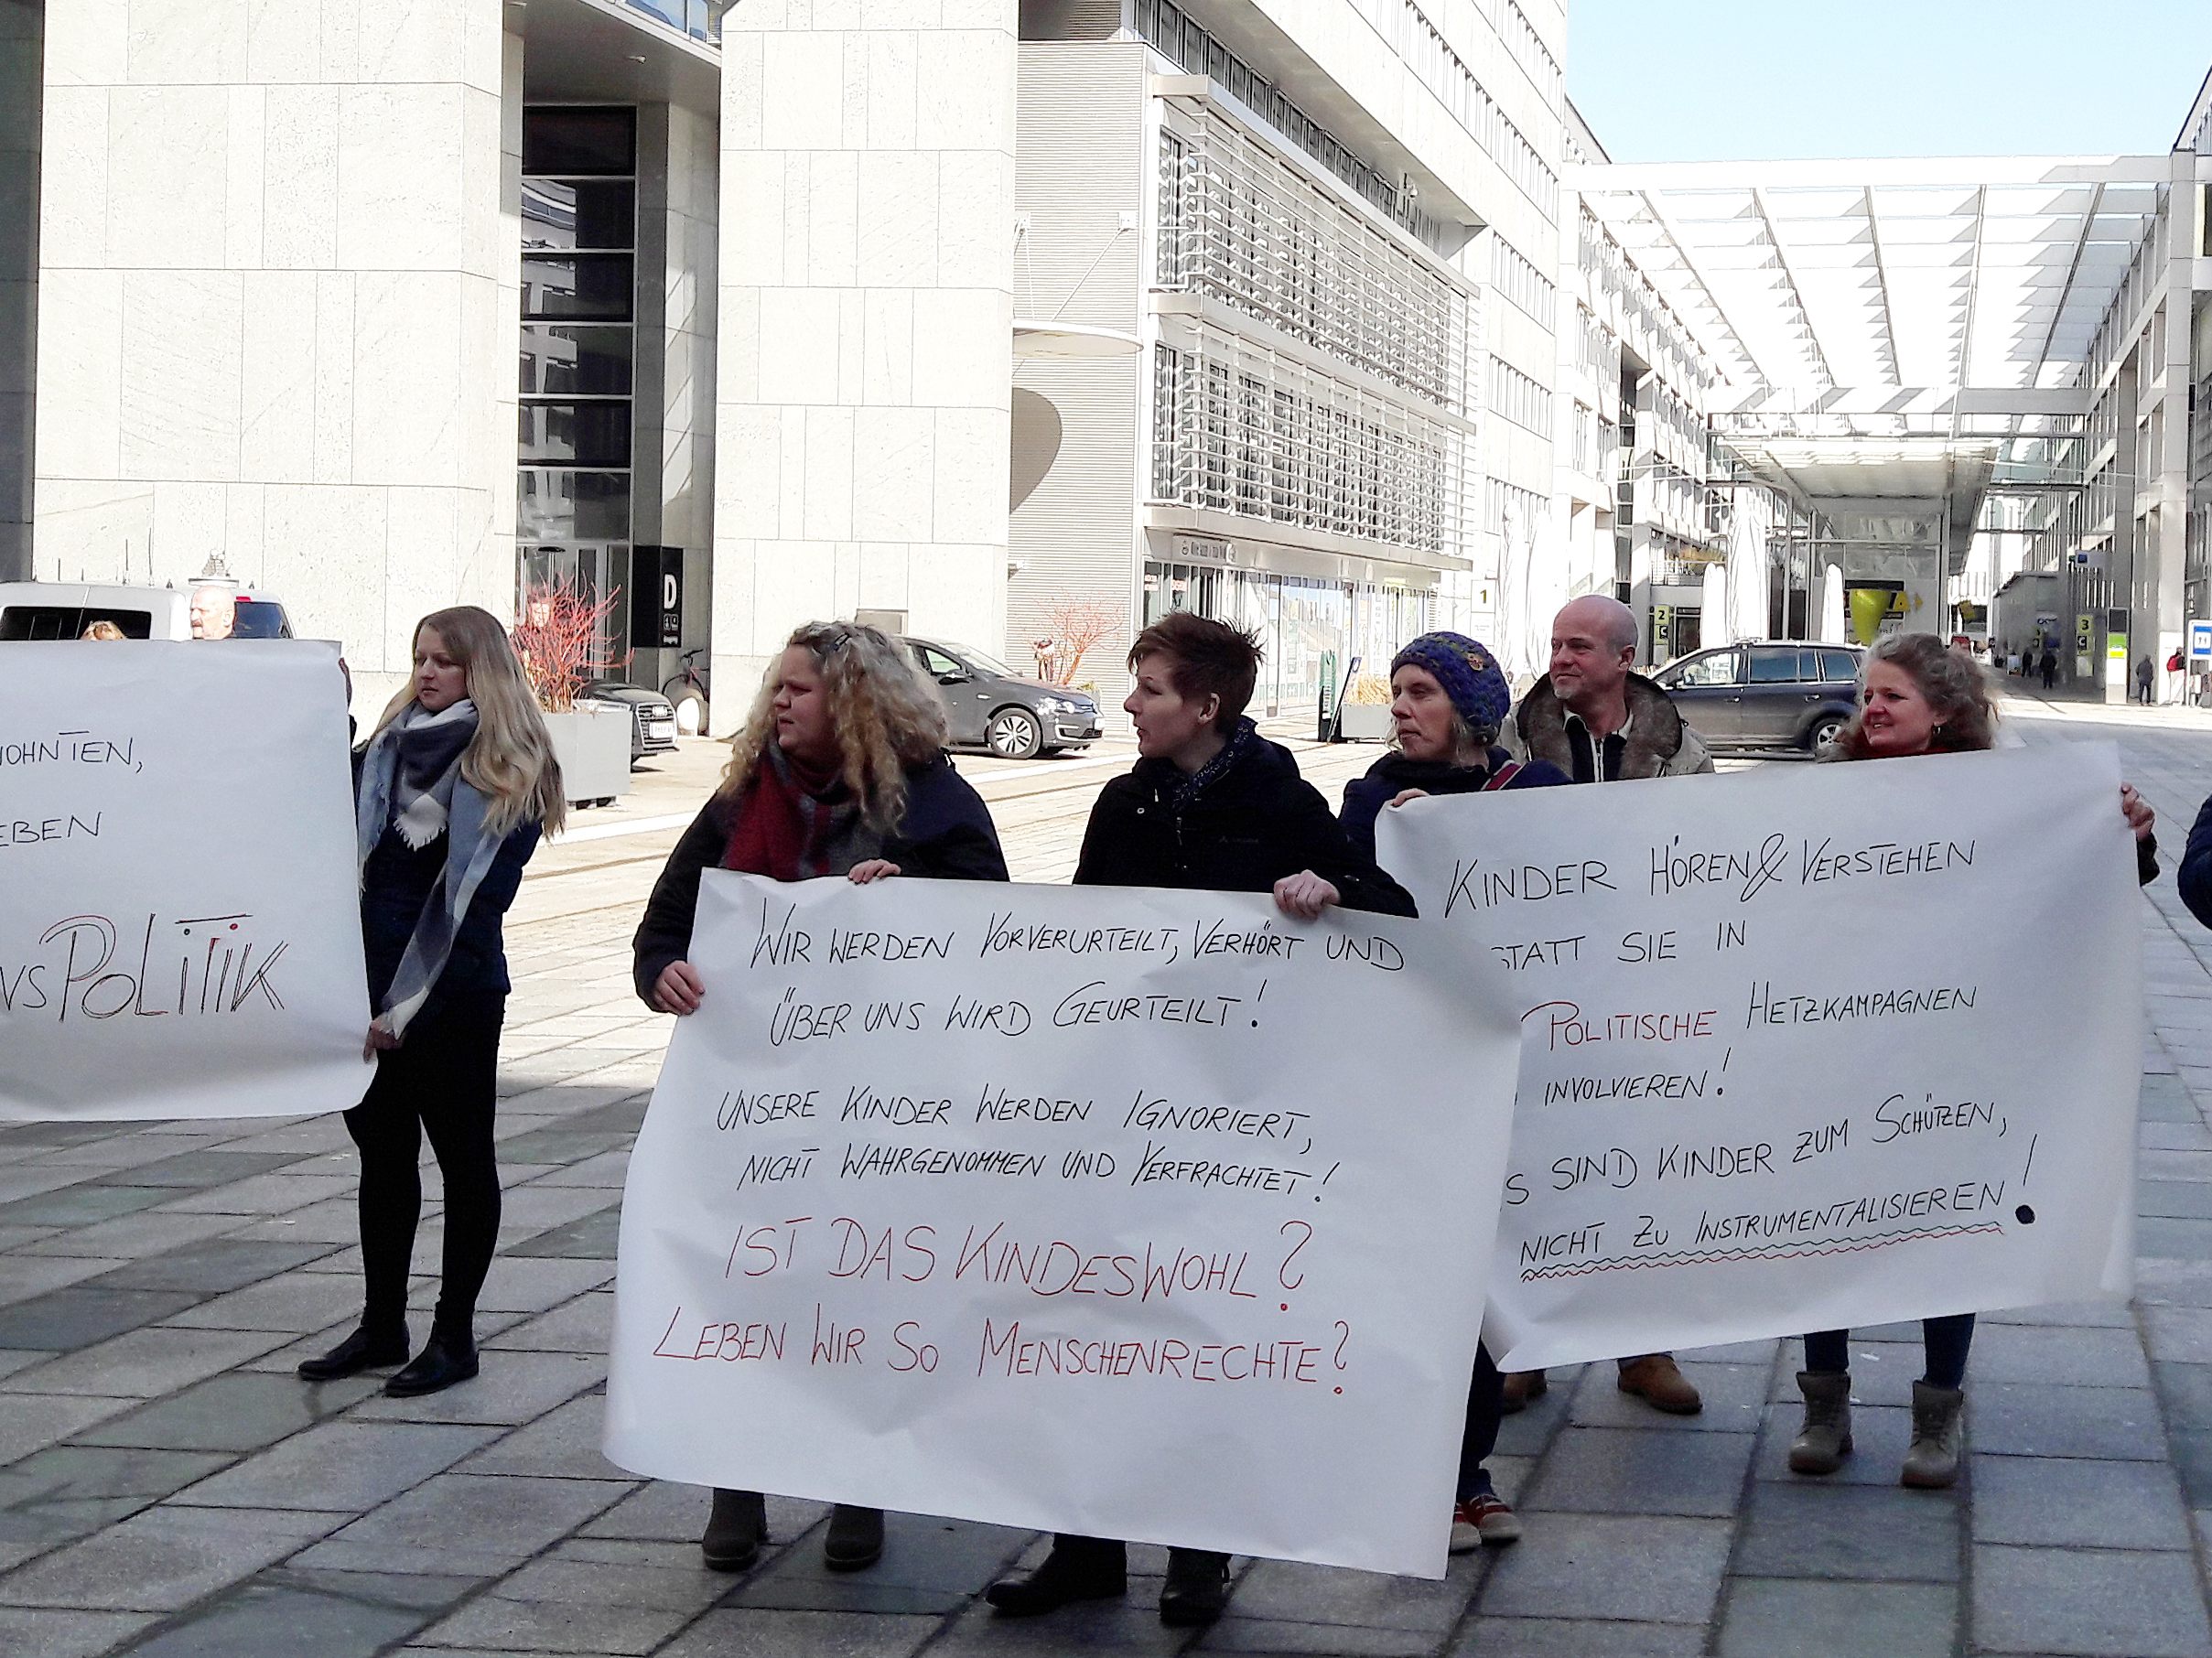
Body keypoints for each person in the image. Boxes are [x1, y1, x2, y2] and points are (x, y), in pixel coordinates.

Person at [984, 612, 1414, 1630]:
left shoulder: (1277, 797)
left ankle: (1197, 1552)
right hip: (1120, 1116)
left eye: (1148, 691)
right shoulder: (1122, 800)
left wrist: (1332, 886)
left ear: (1204, 707)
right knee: (1091, 1327)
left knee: (1200, 1331)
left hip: (1231, 1123)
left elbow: (1390, 908)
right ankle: (1084, 1545)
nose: (1127, 706)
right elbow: (1084, 933)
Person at [631, 620, 1009, 1577]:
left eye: (799, 689)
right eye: (779, 688)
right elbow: (668, 921)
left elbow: (993, 931)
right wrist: (663, 972)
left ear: (853, 704)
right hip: (753, 1103)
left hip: (881, 1112)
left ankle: (859, 1485)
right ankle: (736, 1485)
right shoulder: (741, 801)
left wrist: (908, 893)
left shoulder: (931, 803)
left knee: (862, 1291)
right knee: (744, 1285)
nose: (779, 703)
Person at [1790, 632, 2155, 1488]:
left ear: (1945, 711)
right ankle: (1824, 1410)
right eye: (1866, 695)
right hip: (1840, 1048)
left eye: (1891, 697)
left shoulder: (2009, 798)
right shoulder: (1822, 795)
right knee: (1821, 1226)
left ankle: (1935, 1417)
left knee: (1946, 1227)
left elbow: (2091, 883)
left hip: (1954, 1057)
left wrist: (2123, 834)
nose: (1870, 710)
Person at [1339, 632, 1569, 1555]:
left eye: (1422, 690)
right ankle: (1431, 1476)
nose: (1400, 705)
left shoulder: (1538, 796)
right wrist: (1382, 851)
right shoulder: (1367, 799)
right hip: (1406, 1075)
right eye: (1396, 689)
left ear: (1470, 710)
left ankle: (1470, 1473)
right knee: (1423, 1280)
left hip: (1514, 1072)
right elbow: (1353, 913)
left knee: (1480, 1282)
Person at [298, 607, 563, 1399]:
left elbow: (473, 905)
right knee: (382, 1162)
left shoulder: (512, 768)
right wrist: (321, 706)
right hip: (364, 996)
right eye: (419, 658)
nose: (426, 673)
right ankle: (384, 1324)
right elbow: (306, 797)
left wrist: (404, 1008)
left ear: (479, 670)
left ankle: (455, 1336)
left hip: (452, 998)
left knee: (462, 1165)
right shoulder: (381, 753)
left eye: (444, 661)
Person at [1495, 594, 1710, 1417]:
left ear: (1624, 659)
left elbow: (1702, 860)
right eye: (1554, 643)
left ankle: (1642, 1347)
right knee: (1533, 1174)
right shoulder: (1511, 741)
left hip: (1637, 993)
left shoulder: (1676, 753)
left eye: (1579, 645)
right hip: (1536, 988)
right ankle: (1525, 1346)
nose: (1561, 658)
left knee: (1637, 1171)